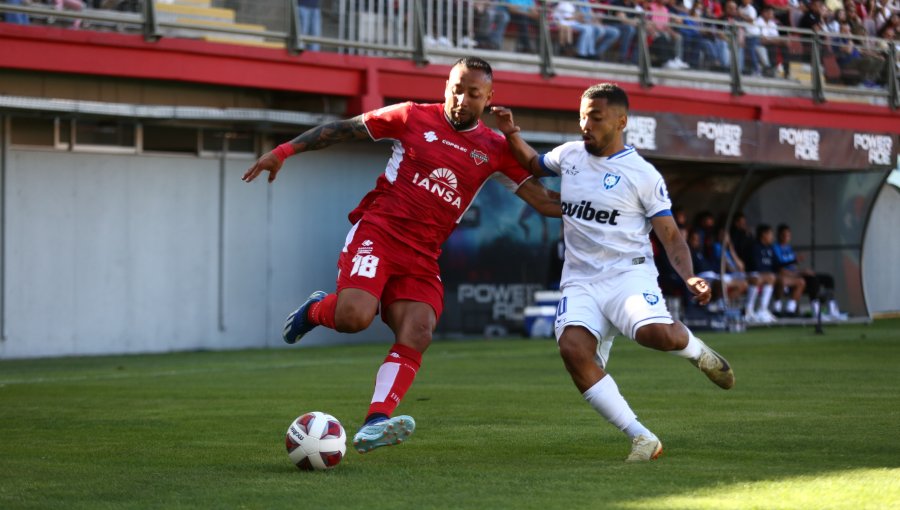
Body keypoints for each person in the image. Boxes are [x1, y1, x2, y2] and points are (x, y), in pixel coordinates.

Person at [242, 57, 560, 454]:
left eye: (472, 93)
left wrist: (607, 207)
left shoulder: (495, 149)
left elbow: (547, 202)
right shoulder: (411, 116)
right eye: (455, 88)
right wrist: (284, 151)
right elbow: (345, 129)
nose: (461, 99)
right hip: (379, 231)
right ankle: (314, 311)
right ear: (446, 85)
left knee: (419, 331)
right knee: (354, 317)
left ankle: (376, 420)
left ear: (489, 98)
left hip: (423, 254)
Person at [492, 83, 735, 462]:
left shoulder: (642, 174)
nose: (585, 125)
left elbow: (670, 235)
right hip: (580, 279)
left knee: (655, 334)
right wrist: (511, 133)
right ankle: (641, 437)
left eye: (595, 117)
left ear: (621, 121)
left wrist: (689, 276)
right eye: (582, 116)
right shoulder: (570, 155)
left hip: (628, 274)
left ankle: (696, 350)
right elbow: (533, 164)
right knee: (573, 350)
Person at [773, 224, 847, 320]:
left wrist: (803, 271)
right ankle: (816, 311)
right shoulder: (775, 248)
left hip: (796, 274)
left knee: (828, 279)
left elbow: (793, 267)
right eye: (784, 235)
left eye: (789, 235)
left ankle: (832, 309)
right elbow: (780, 268)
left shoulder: (788, 248)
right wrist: (800, 273)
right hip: (790, 277)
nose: (787, 238)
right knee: (813, 280)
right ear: (779, 235)